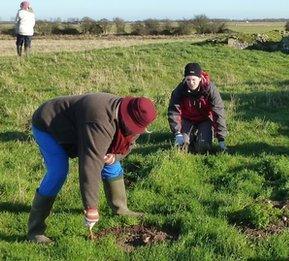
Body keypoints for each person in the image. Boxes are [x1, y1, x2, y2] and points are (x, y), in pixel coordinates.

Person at [28, 93, 157, 244]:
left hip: (79, 126)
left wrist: (114, 157)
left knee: (112, 164)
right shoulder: (99, 120)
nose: (136, 131)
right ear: (126, 116)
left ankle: (120, 209)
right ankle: (35, 231)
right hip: (49, 125)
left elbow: (128, 143)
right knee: (58, 172)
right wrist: (91, 207)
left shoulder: (130, 114)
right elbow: (90, 164)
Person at [168, 63, 228, 153]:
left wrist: (221, 138)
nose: (191, 83)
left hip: (205, 120)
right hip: (187, 120)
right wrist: (177, 133)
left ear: (200, 78)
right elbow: (173, 111)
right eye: (188, 79)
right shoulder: (180, 89)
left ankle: (202, 135)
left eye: (193, 79)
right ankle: (189, 137)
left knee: (203, 148)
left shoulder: (210, 89)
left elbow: (218, 112)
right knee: (181, 148)